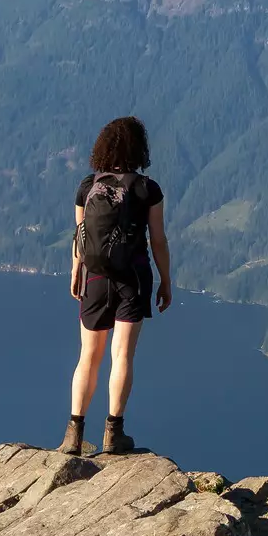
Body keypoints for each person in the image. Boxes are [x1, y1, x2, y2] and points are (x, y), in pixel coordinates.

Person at [62, 115, 173, 456]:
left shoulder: (86, 186)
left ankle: (73, 435)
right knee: (122, 354)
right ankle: (114, 433)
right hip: (133, 277)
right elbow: (157, 240)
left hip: (94, 278)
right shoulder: (146, 189)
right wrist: (166, 281)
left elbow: (80, 237)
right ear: (139, 149)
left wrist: (76, 271)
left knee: (88, 357)